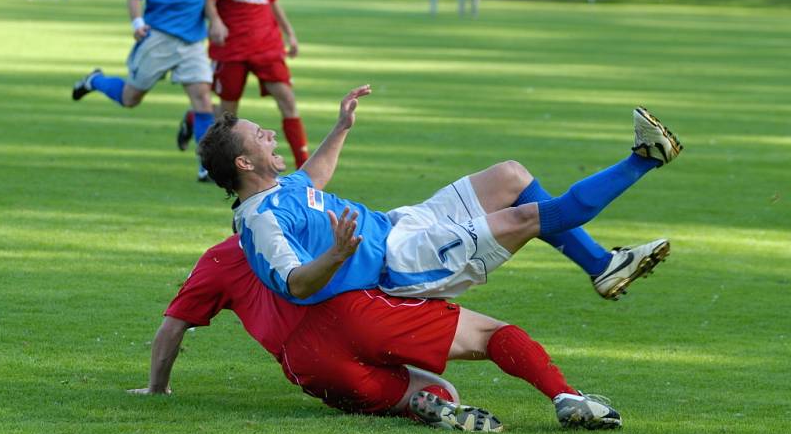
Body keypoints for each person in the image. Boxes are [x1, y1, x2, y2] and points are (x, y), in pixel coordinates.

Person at [197, 85, 681, 307]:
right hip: (401, 261)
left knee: (510, 175)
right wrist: (340, 253)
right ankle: (646, 157)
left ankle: (600, 266)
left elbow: (315, 176)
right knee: (529, 217)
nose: (270, 136)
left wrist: (341, 128)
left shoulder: (281, 188)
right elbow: (295, 284)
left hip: (400, 224)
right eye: (259, 136)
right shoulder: (261, 222)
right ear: (243, 164)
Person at [128, 233, 624, 431]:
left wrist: (156, 386)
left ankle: (429, 404)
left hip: (306, 364)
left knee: (435, 391)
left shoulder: (217, 258)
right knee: (491, 334)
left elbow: (172, 328)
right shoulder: (302, 226)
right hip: (353, 313)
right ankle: (563, 396)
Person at [72, 0, 218, 182]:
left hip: (193, 43)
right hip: (159, 39)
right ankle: (95, 80)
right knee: (130, 99)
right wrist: (137, 23)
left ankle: (205, 165)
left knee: (203, 100)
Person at [176, 0, 309, 169]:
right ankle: (196, 120)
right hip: (232, 49)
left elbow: (271, 0)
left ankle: (305, 167)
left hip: (267, 46)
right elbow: (210, 0)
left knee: (288, 100)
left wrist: (290, 34)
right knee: (228, 116)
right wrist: (218, 16)